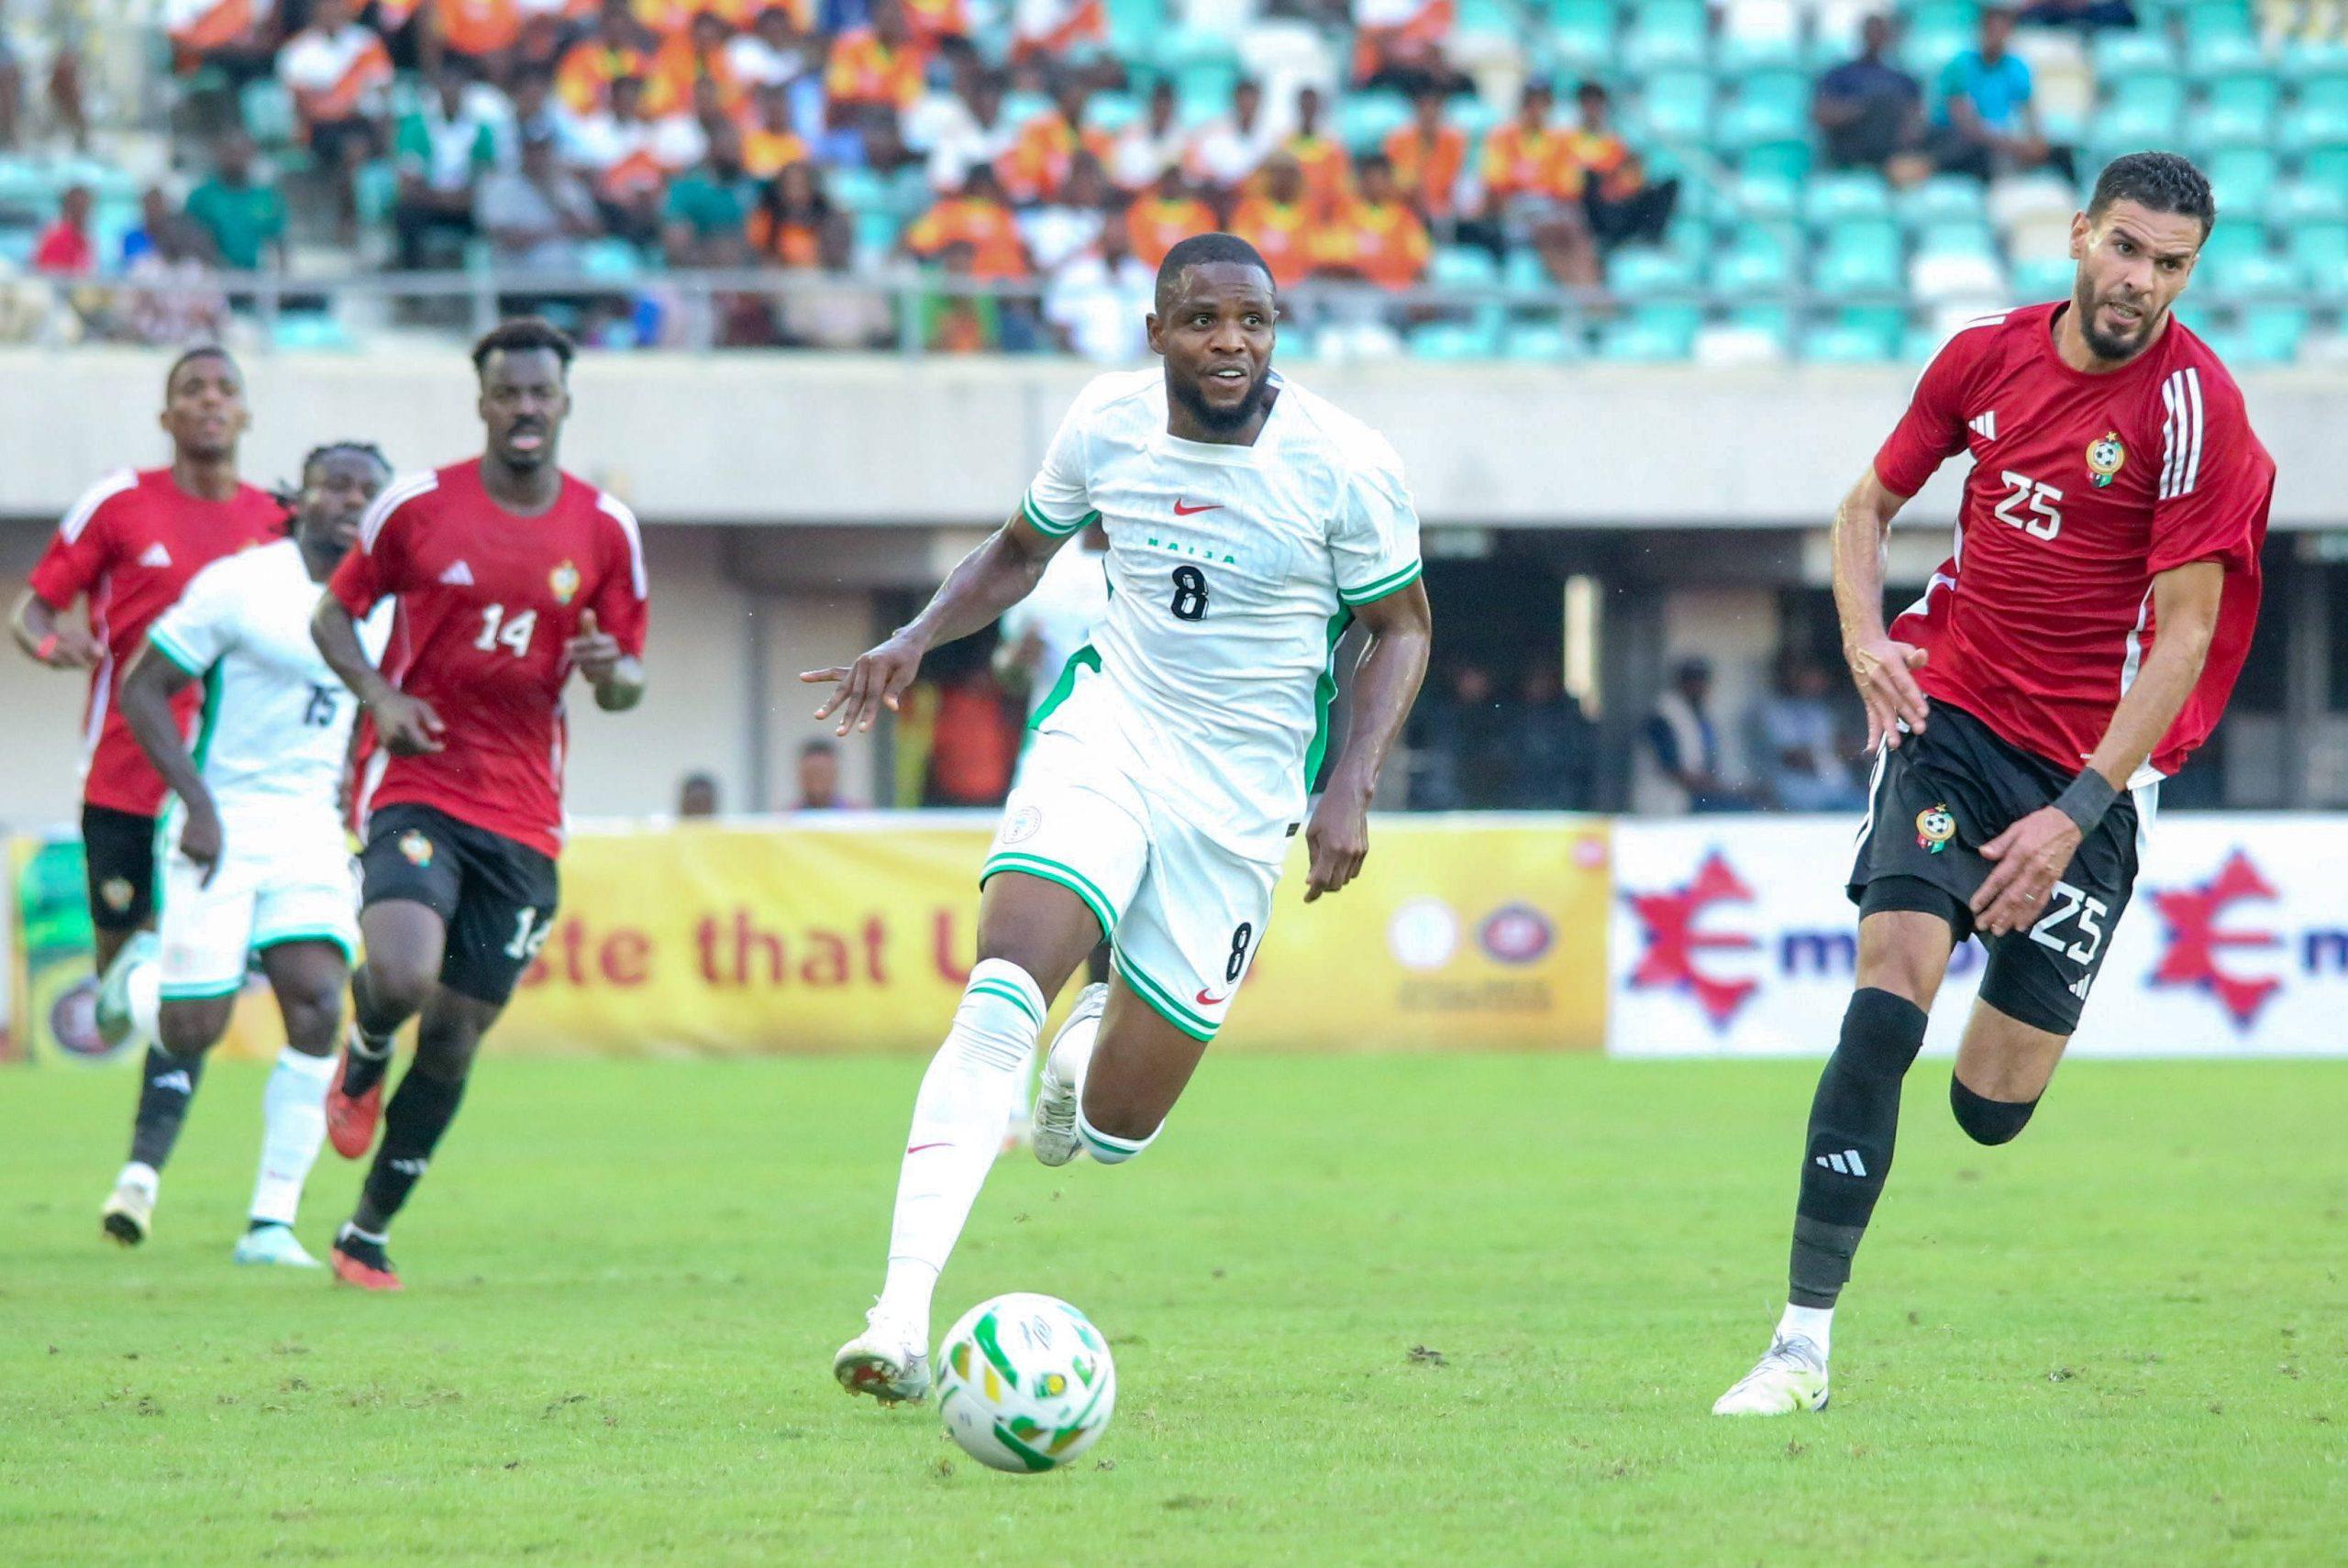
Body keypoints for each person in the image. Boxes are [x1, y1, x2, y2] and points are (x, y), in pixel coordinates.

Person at [814, 231, 1433, 1404]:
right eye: (1202, 320)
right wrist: (911, 639)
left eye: (1251, 321)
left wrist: (1349, 781)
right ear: (1156, 332)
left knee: (1111, 1129)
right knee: (1000, 990)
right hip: (1113, 726)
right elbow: (1016, 552)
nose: (1229, 343)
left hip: (1244, 794)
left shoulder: (1343, 463)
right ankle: (896, 1317)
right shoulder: (1104, 424)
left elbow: (1402, 626)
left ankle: (1096, 1031)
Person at [1713, 153, 2273, 1416]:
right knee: (1887, 989)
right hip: (1950, 715)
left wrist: (2074, 819)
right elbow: (1867, 506)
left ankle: (2005, 1034)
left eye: (2170, 263)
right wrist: (1867, 638)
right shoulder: (1984, 356)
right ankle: (1799, 1344)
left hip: (2097, 772)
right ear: (2081, 236)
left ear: (2192, 271)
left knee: (1988, 1107)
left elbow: (2182, 639)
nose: (2140, 281)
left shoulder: (2197, 415)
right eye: (2125, 248)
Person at [309, 318, 650, 1291]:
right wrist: (379, 697)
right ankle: (367, 1042)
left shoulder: (604, 529)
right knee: (405, 976)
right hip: (417, 776)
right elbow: (332, 612)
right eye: (510, 393)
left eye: (542, 392)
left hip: (525, 814)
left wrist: (610, 669)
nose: (527, 408)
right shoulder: (416, 506)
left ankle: (366, 1232)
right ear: (484, 402)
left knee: (457, 1036)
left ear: (564, 402)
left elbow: (627, 683)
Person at [8, 349, 288, 1239]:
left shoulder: (276, 522)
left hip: (228, 792)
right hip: (125, 780)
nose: (210, 403)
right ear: (166, 418)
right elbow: (33, 613)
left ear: (246, 414)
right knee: (124, 988)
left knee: (193, 980)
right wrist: (58, 651)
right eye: (191, 392)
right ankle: (147, 992)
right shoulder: (119, 504)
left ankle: (140, 1177)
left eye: (224, 391)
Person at [95, 444, 394, 1265]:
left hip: (307, 828)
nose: (351, 501)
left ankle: (270, 1222)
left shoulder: (389, 601)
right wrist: (194, 801)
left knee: (317, 1002)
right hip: (219, 816)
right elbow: (142, 686)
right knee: (195, 1028)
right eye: (336, 484)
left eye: (369, 491)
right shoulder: (242, 582)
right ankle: (138, 980)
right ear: (300, 496)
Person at [1928, 6, 2065, 182]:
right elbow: (1966, 125)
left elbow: (2029, 112)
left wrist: (2036, 142)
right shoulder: (1959, 65)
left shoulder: (2017, 67)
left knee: (2061, 154)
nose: (1996, 35)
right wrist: (2013, 146)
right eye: (1991, 29)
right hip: (1967, 143)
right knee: (1970, 150)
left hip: (2004, 139)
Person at [392, 62, 502, 271]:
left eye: (456, 86)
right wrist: (441, 199)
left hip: (468, 204)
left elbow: (488, 176)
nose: (450, 93)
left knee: (493, 211)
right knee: (405, 213)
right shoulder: (416, 127)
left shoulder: (482, 130)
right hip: (430, 201)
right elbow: (408, 178)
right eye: (445, 86)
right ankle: (413, 280)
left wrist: (463, 198)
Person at [1747, 650, 1866, 812]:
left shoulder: (1820, 711)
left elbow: (1849, 749)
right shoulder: (1774, 711)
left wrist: (1841, 751)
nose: (1816, 681)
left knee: (1867, 808)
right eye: (1808, 676)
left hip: (1835, 789)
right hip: (1797, 792)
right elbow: (1794, 757)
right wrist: (1834, 753)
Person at [1812, 13, 1927, 178]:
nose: (1876, 37)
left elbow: (1917, 122)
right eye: (1872, 31)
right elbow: (1821, 114)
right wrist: (1864, 108)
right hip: (1850, 149)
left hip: (1892, 154)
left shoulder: (1904, 80)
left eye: (1881, 32)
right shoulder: (1840, 75)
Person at [1567, 82, 1677, 252]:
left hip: (1617, 204)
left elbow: (1628, 180)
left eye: (1597, 104)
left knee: (1668, 185)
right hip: (1589, 209)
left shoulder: (1615, 144)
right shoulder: (1566, 141)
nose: (1593, 109)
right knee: (1590, 178)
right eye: (1588, 103)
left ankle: (1649, 236)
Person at [1635, 657, 1742, 812]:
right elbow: (1674, 771)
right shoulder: (1663, 716)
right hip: (1662, 805)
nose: (1699, 686)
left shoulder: (1696, 714)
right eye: (1693, 680)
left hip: (1689, 802)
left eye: (1702, 680)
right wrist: (1724, 790)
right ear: (1681, 682)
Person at [184, 132, 288, 273]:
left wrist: (283, 281)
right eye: (230, 153)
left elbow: (278, 240)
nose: (235, 159)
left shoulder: (266, 198)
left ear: (251, 154)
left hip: (255, 278)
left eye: (241, 153)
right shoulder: (201, 196)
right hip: (211, 278)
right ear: (220, 154)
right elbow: (187, 236)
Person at [31, 182, 94, 275]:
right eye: (77, 207)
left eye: (85, 208)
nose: (82, 213)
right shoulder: (57, 237)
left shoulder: (83, 237)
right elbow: (46, 270)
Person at [794, 737, 852, 809]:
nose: (817, 780)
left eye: (822, 773)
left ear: (834, 775)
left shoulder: (858, 816)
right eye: (812, 774)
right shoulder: (786, 817)